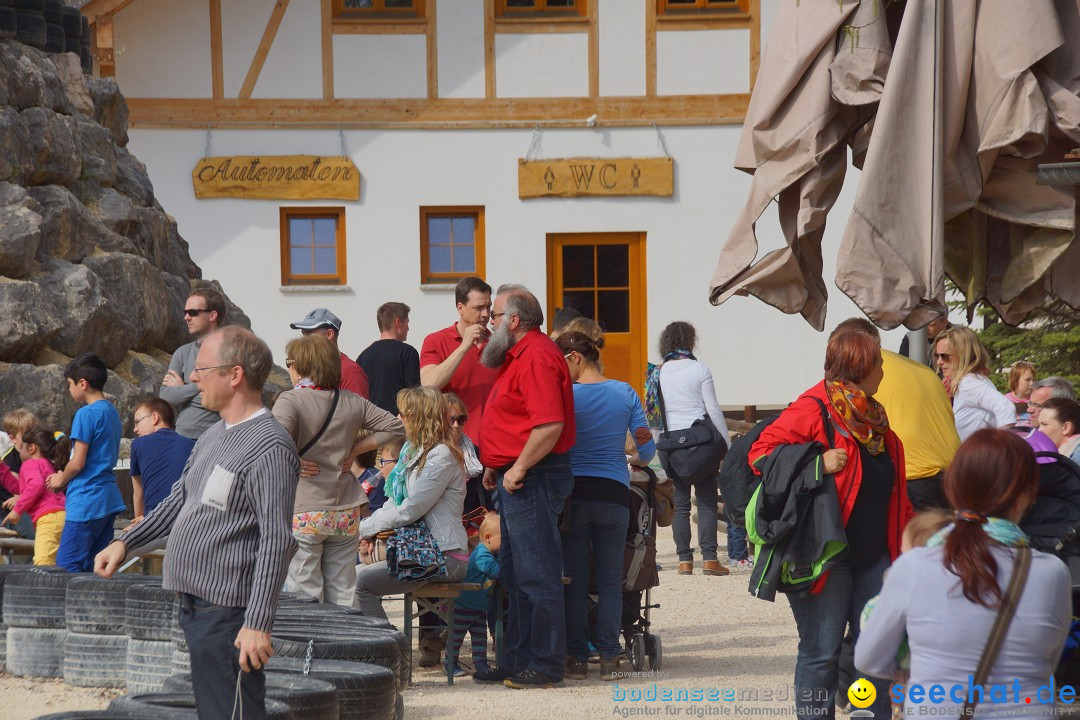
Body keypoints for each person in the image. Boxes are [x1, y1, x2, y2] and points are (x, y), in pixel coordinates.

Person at [96, 326, 300, 720]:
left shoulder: (270, 446)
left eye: (203, 368)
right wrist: (126, 542)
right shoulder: (211, 436)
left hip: (229, 614)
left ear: (235, 375)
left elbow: (276, 540)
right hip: (199, 607)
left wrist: (257, 623)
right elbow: (179, 501)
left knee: (234, 713)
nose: (193, 377)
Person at [750, 318, 911, 720]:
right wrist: (816, 464)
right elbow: (759, 456)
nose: (884, 371)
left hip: (874, 554)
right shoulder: (813, 408)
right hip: (824, 553)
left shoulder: (872, 418)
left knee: (875, 654)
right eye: (879, 363)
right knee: (821, 654)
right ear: (862, 367)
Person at [855, 429, 1071, 720]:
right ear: (1027, 495)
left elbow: (869, 658)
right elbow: (1048, 660)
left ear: (953, 487)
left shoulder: (915, 566)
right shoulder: (1053, 573)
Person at [475, 284, 575, 690]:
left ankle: (546, 664)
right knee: (516, 575)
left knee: (537, 574)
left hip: (532, 477)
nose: (489, 321)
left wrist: (515, 468)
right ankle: (517, 661)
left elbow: (549, 425)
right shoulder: (520, 355)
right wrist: (496, 466)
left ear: (514, 321)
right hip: (517, 476)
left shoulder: (534, 355)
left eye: (494, 315)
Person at [272, 334, 405, 606]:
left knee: (305, 592)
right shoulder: (353, 401)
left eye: (289, 363)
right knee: (343, 590)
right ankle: (346, 647)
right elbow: (395, 426)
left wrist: (295, 461)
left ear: (302, 365)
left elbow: (273, 440)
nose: (288, 369)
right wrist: (355, 449)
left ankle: (314, 647)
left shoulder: (290, 400)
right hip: (345, 509)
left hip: (305, 508)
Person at [556, 331, 655, 681]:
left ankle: (578, 658)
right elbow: (646, 447)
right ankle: (610, 657)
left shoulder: (565, 395)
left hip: (575, 495)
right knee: (612, 581)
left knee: (577, 580)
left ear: (574, 358)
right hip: (614, 494)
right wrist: (633, 457)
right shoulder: (625, 392)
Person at [355, 386, 469, 617]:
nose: (398, 419)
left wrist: (363, 527)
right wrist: (366, 532)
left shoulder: (441, 455)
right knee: (347, 578)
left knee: (360, 583)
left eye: (403, 414)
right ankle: (377, 647)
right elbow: (394, 503)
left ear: (419, 418)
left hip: (445, 555)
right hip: (421, 552)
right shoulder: (412, 452)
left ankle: (387, 648)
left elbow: (411, 509)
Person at [645, 321, 732, 576]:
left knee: (681, 505)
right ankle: (709, 559)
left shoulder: (656, 373)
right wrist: (725, 442)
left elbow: (654, 416)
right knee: (705, 501)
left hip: (672, 444)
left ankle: (684, 560)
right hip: (702, 443)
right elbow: (713, 409)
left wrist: (656, 446)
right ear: (690, 341)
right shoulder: (699, 368)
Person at [46, 352, 126, 573]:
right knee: (96, 568)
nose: (70, 390)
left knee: (67, 566)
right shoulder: (111, 412)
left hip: (86, 500)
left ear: (82, 383)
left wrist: (60, 478)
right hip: (107, 499)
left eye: (70, 384)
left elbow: (78, 462)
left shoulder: (85, 414)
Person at [874, 350, 960, 510]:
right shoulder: (925, 371)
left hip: (914, 475)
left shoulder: (869, 369)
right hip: (952, 474)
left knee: (920, 534)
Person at [420, 276, 498, 443]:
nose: (485, 314)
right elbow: (428, 384)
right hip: (451, 446)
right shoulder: (436, 341)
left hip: (492, 447)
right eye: (478, 308)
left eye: (488, 307)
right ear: (460, 308)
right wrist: (463, 347)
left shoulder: (498, 344)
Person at [160, 287, 225, 439]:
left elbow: (224, 398)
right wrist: (201, 387)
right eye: (185, 312)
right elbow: (166, 396)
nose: (186, 318)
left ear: (212, 315)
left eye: (193, 312)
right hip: (181, 437)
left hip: (215, 437)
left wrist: (182, 389)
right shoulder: (182, 352)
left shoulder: (230, 351)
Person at [934, 326, 1015, 441]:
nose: (939, 362)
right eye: (937, 356)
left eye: (945, 356)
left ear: (963, 354)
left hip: (978, 457)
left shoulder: (969, 383)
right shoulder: (968, 381)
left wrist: (997, 446)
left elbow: (1006, 408)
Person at [1, 427, 68, 565]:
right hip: (63, 516)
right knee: (57, 561)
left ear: (31, 448)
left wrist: (17, 510)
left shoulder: (30, 464)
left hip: (48, 519)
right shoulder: (48, 465)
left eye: (22, 448)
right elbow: (21, 488)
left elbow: (36, 485)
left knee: (43, 563)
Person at [128, 397, 196, 526]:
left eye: (137, 422)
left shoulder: (138, 444)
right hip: (186, 518)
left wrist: (139, 524)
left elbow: (138, 493)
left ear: (155, 418)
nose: (135, 429)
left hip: (154, 518)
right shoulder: (191, 444)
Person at [449, 511, 501, 677]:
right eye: (503, 539)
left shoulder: (488, 554)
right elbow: (496, 571)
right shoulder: (481, 555)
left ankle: (481, 664)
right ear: (488, 537)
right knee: (456, 638)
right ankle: (450, 664)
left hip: (478, 608)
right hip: (463, 605)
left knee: (480, 639)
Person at [289, 307, 369, 399]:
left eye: (309, 334)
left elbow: (358, 410)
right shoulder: (308, 367)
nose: (304, 340)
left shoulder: (350, 371)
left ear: (329, 334)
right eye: (303, 334)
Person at [357, 302, 421, 416]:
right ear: (398, 322)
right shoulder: (408, 353)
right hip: (399, 425)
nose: (408, 328)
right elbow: (414, 395)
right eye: (407, 322)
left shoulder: (363, 357)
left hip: (371, 424)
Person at [1, 408, 41, 540]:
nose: (32, 439)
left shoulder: (37, 455)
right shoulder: (10, 459)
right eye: (27, 435)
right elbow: (18, 491)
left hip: (31, 503)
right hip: (12, 511)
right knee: (38, 534)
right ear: (12, 438)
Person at [444, 391, 486, 515]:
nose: (456, 425)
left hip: (470, 520)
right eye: (450, 420)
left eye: (461, 419)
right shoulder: (428, 453)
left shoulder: (474, 451)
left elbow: (485, 492)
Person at [1037, 397, 1080, 465]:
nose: (1038, 431)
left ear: (1066, 428)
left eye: (1044, 424)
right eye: (1039, 425)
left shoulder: (1077, 454)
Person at [1005, 361, 1037, 429]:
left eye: (1033, 380)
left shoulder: (1036, 400)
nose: (1031, 383)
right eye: (1027, 380)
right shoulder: (1004, 401)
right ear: (1015, 381)